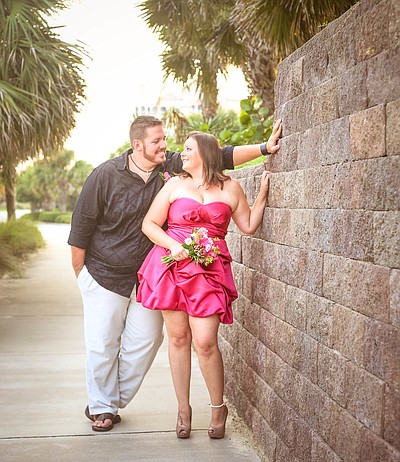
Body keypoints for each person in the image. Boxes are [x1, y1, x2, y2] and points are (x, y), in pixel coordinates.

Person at [68, 115, 282, 432]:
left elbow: (221, 158)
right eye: (158, 141)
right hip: (110, 273)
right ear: (137, 145)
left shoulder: (170, 170)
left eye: (167, 141)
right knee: (104, 343)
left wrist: (265, 148)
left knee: (148, 343)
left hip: (163, 275)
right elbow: (82, 225)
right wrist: (81, 274)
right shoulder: (107, 175)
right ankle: (105, 407)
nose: (167, 146)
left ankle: (112, 399)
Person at [136, 129, 277, 439]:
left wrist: (263, 196)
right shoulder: (174, 184)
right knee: (177, 338)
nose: (181, 154)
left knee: (206, 343)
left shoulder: (232, 188)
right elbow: (149, 224)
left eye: (188, 148)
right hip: (172, 267)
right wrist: (174, 247)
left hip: (209, 271)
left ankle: (217, 408)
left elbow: (249, 225)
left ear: (205, 153)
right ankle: (183, 409)